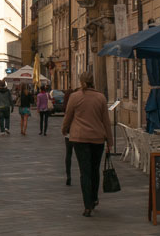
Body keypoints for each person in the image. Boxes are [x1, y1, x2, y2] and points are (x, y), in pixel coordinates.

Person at [61, 71, 113, 218]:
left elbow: (68, 116)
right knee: (94, 169)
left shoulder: (75, 97)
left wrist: (64, 130)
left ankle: (87, 205)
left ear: (81, 81)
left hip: (80, 138)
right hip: (97, 138)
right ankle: (95, 197)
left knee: (85, 172)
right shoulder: (101, 98)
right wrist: (110, 140)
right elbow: (106, 122)